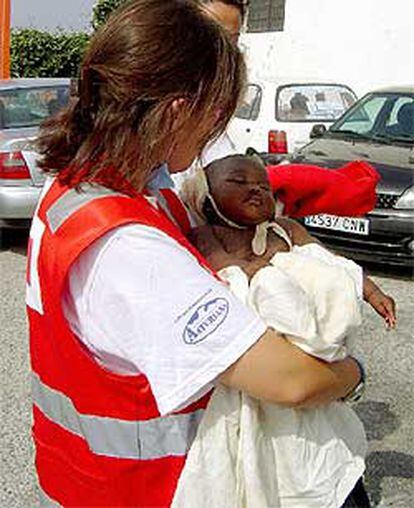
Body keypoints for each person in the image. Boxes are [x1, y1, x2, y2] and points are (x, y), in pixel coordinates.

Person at [27, 1, 362, 506]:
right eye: (215, 116)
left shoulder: (80, 190)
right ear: (180, 112)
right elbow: (293, 382)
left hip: (84, 479)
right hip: (150, 490)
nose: (214, 134)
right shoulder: (128, 250)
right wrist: (354, 374)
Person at [175, 155, 396, 507]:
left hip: (314, 352)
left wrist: (371, 291)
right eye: (239, 182)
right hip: (271, 361)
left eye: (263, 185)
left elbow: (334, 266)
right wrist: (269, 273)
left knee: (329, 462)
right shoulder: (206, 236)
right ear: (207, 199)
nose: (256, 190)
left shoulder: (287, 229)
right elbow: (229, 274)